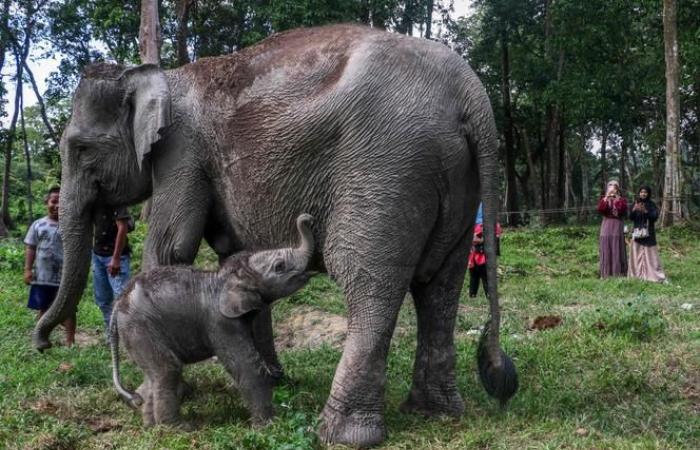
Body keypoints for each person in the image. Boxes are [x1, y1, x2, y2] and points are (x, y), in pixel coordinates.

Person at [24, 187, 76, 346]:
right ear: (47, 202)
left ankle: (70, 341)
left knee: (69, 310)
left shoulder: (71, 226)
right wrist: (27, 269)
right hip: (42, 276)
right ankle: (41, 337)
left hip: (64, 278)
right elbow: (31, 247)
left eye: (61, 201)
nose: (57, 205)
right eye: (54, 201)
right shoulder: (38, 225)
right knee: (43, 308)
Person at [92, 205, 133, 339]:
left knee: (122, 298)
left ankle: (128, 335)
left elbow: (123, 228)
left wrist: (115, 258)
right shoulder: (95, 202)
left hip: (115, 257)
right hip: (98, 255)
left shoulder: (117, 202)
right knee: (103, 299)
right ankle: (112, 334)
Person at [628, 186, 666, 282]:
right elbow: (630, 217)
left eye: (645, 192)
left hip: (649, 233)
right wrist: (634, 210)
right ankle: (637, 274)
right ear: (639, 193)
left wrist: (645, 211)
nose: (643, 194)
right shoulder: (635, 203)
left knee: (650, 255)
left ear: (648, 193)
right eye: (641, 192)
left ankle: (652, 274)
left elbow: (654, 217)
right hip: (637, 233)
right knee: (637, 254)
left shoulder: (651, 204)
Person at [597, 180, 628, 278]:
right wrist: (606, 198)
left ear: (617, 190)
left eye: (614, 188)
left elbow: (623, 210)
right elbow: (601, 210)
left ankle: (618, 272)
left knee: (616, 245)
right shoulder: (604, 199)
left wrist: (617, 200)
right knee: (606, 245)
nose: (612, 190)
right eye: (610, 188)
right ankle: (606, 273)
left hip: (617, 224)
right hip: (606, 224)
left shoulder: (621, 200)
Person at [468, 221, 502, 298]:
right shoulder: (476, 226)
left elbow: (495, 238)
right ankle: (473, 294)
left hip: (483, 258)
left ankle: (488, 294)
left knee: (485, 277)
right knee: (475, 277)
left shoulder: (493, 226)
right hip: (474, 259)